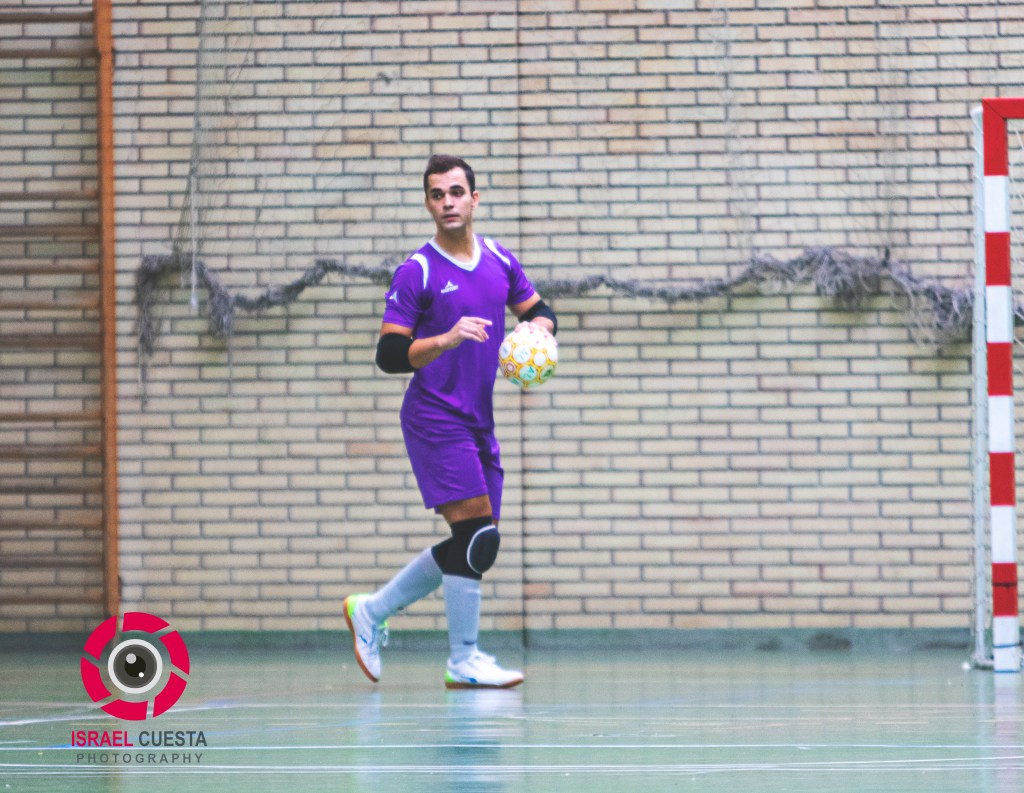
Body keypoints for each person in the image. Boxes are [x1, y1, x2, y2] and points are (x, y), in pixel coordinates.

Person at [343, 154, 557, 689]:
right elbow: (389, 354)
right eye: (437, 194)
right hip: (434, 418)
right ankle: (462, 659)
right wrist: (444, 338)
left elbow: (540, 309)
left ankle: (373, 611)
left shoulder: (499, 259)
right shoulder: (417, 271)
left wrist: (539, 332)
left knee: (478, 542)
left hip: (478, 420)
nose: (448, 203)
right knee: (475, 534)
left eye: (456, 192)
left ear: (474, 199)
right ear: (428, 204)